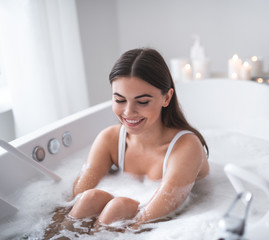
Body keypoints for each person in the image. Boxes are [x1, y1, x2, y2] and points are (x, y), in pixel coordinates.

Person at [68, 48, 209, 229]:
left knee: (118, 207)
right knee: (90, 198)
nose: (128, 112)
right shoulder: (110, 139)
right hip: (128, 213)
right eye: (119, 100)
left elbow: (149, 218)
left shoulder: (186, 147)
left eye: (142, 102)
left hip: (173, 223)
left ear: (166, 98)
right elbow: (75, 199)